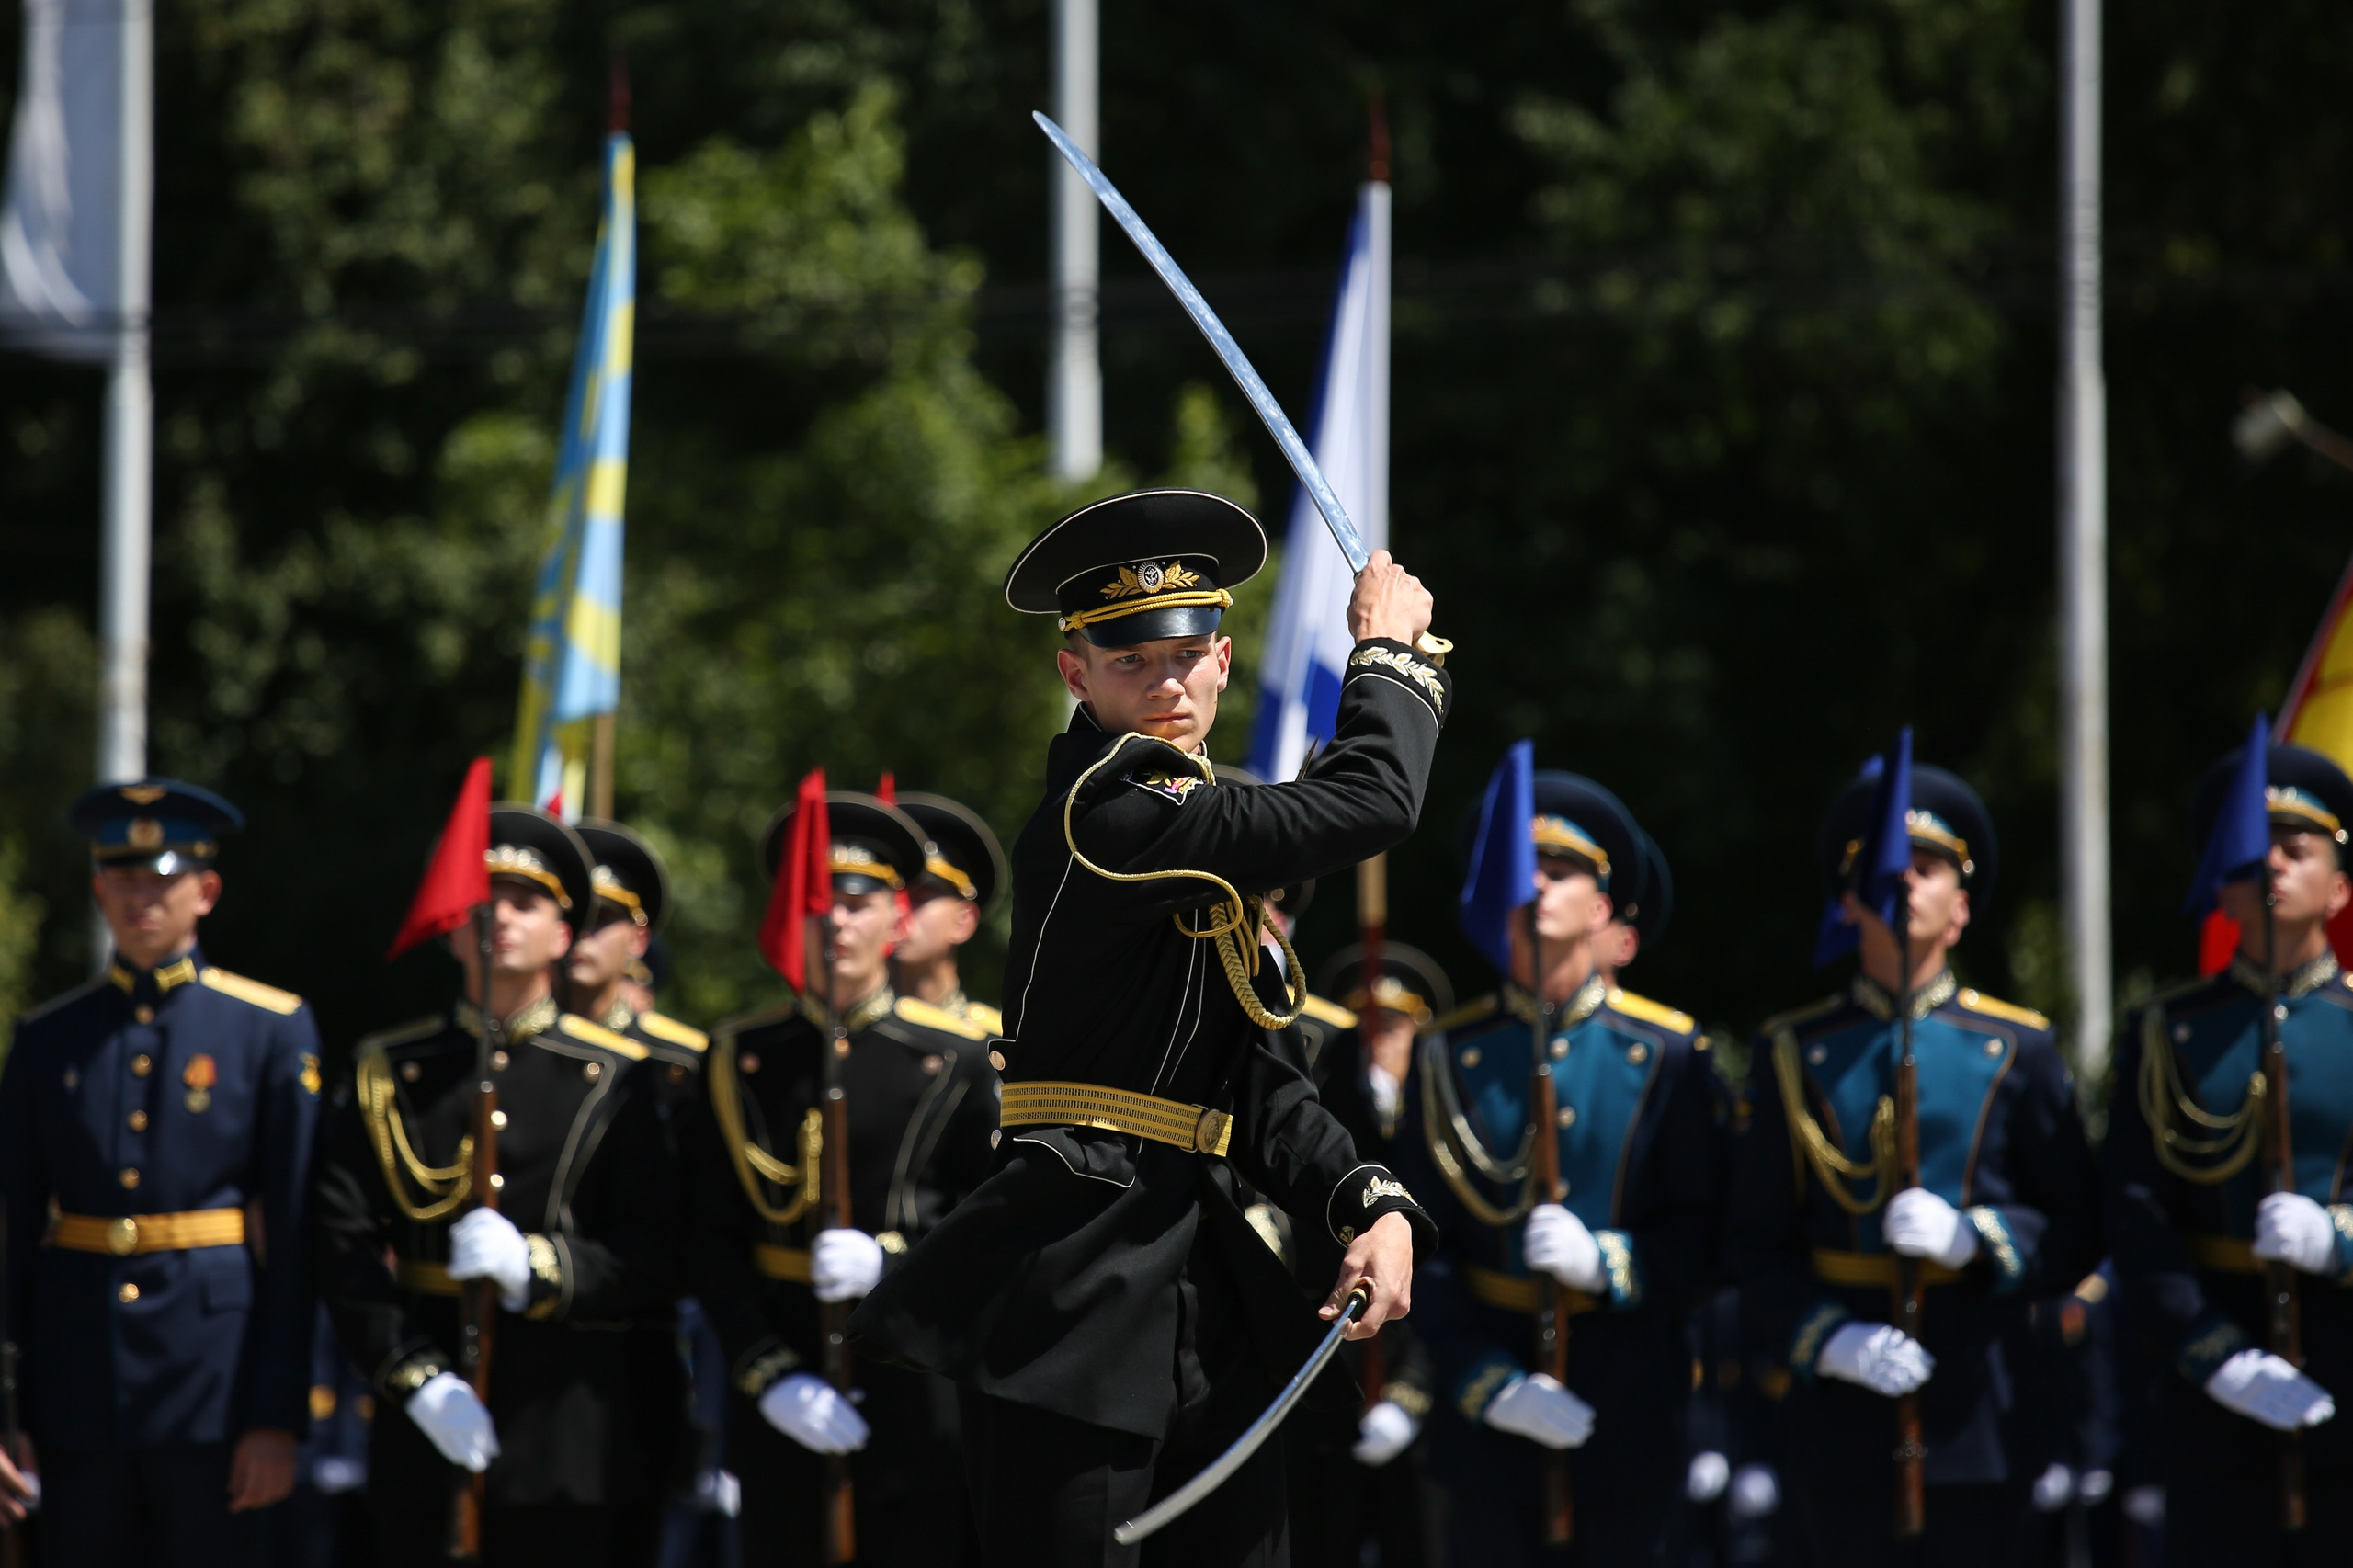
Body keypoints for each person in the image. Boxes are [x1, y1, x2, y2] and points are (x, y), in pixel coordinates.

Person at [851, 488, 1448, 1568]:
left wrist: (1371, 1198)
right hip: (1074, 1287)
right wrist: (1389, 661)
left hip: (1203, 1287)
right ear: (1074, 672)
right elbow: (1372, 804)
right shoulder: (1109, 805)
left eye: (1185, 655)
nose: (1166, 684)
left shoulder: (1197, 838)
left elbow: (1260, 1081)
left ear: (1223, 657)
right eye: (1131, 662)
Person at [1722, 757, 2098, 1566]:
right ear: (1850, 901)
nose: (1903, 886)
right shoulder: (1794, 1051)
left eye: (1926, 870)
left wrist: (1981, 1239)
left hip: (1982, 1403)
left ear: (1960, 910)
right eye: (1881, 873)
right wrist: (1826, 1339)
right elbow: (1752, 1242)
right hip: (1838, 1410)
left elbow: (2077, 1226)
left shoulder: (2017, 1048)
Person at [308, 804, 682, 1568]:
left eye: (525, 902)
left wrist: (539, 1267)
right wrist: (412, 1376)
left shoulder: (617, 1080)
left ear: (563, 931)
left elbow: (654, 1255)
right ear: (450, 926)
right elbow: (342, 1244)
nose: (499, 919)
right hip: (423, 1416)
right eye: (482, 900)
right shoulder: (391, 1072)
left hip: (564, 1435)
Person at [0, 778, 323, 1567]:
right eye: (124, 879)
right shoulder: (48, 1040)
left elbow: (295, 1232)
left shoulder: (268, 1029)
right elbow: (10, 1227)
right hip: (74, 1388)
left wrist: (276, 1416)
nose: (141, 898)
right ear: (98, 889)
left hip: (214, 1384)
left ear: (205, 892)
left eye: (163, 880)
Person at [1404, 770, 1723, 1566]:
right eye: (1521, 868)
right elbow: (1421, 1239)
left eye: (1561, 869)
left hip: (1629, 1409)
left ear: (1603, 907)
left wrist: (1610, 1262)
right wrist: (1489, 1383)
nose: (1535, 884)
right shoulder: (1445, 1055)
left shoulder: (1667, 1056)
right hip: (1488, 1426)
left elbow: (1712, 1234)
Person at [685, 791, 1000, 1567]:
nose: (837, 922)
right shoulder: (736, 1061)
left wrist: (892, 1263)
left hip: (916, 1400)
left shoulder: (957, 1061)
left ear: (896, 919)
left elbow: (992, 1234)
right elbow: (706, 1239)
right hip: (782, 1396)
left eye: (860, 904)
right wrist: (770, 1376)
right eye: (817, 902)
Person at [2105, 738, 2353, 1562]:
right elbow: (2137, 1214)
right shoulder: (2165, 1033)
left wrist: (2338, 1238)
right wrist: (2216, 1359)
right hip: (2214, 1388)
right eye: (2253, 851)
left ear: (2340, 885)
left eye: (2297, 849)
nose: (2272, 867)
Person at [1287, 941, 1455, 1568]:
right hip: (1334, 1392)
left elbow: (1449, 1267)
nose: (1379, 1038)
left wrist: (1412, 1395)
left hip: (1428, 1398)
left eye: (1396, 1023)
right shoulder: (1331, 1122)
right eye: (1367, 1026)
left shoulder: (1444, 1126)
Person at [568, 819, 707, 1547]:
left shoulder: (683, 1065)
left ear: (639, 938)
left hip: (642, 1343)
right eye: (573, 919)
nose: (584, 938)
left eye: (605, 920)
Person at [890, 792, 1010, 1035]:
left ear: (963, 921)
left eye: (920, 896)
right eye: (891, 896)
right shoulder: (836, 1036)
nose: (900, 909)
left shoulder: (994, 1045)